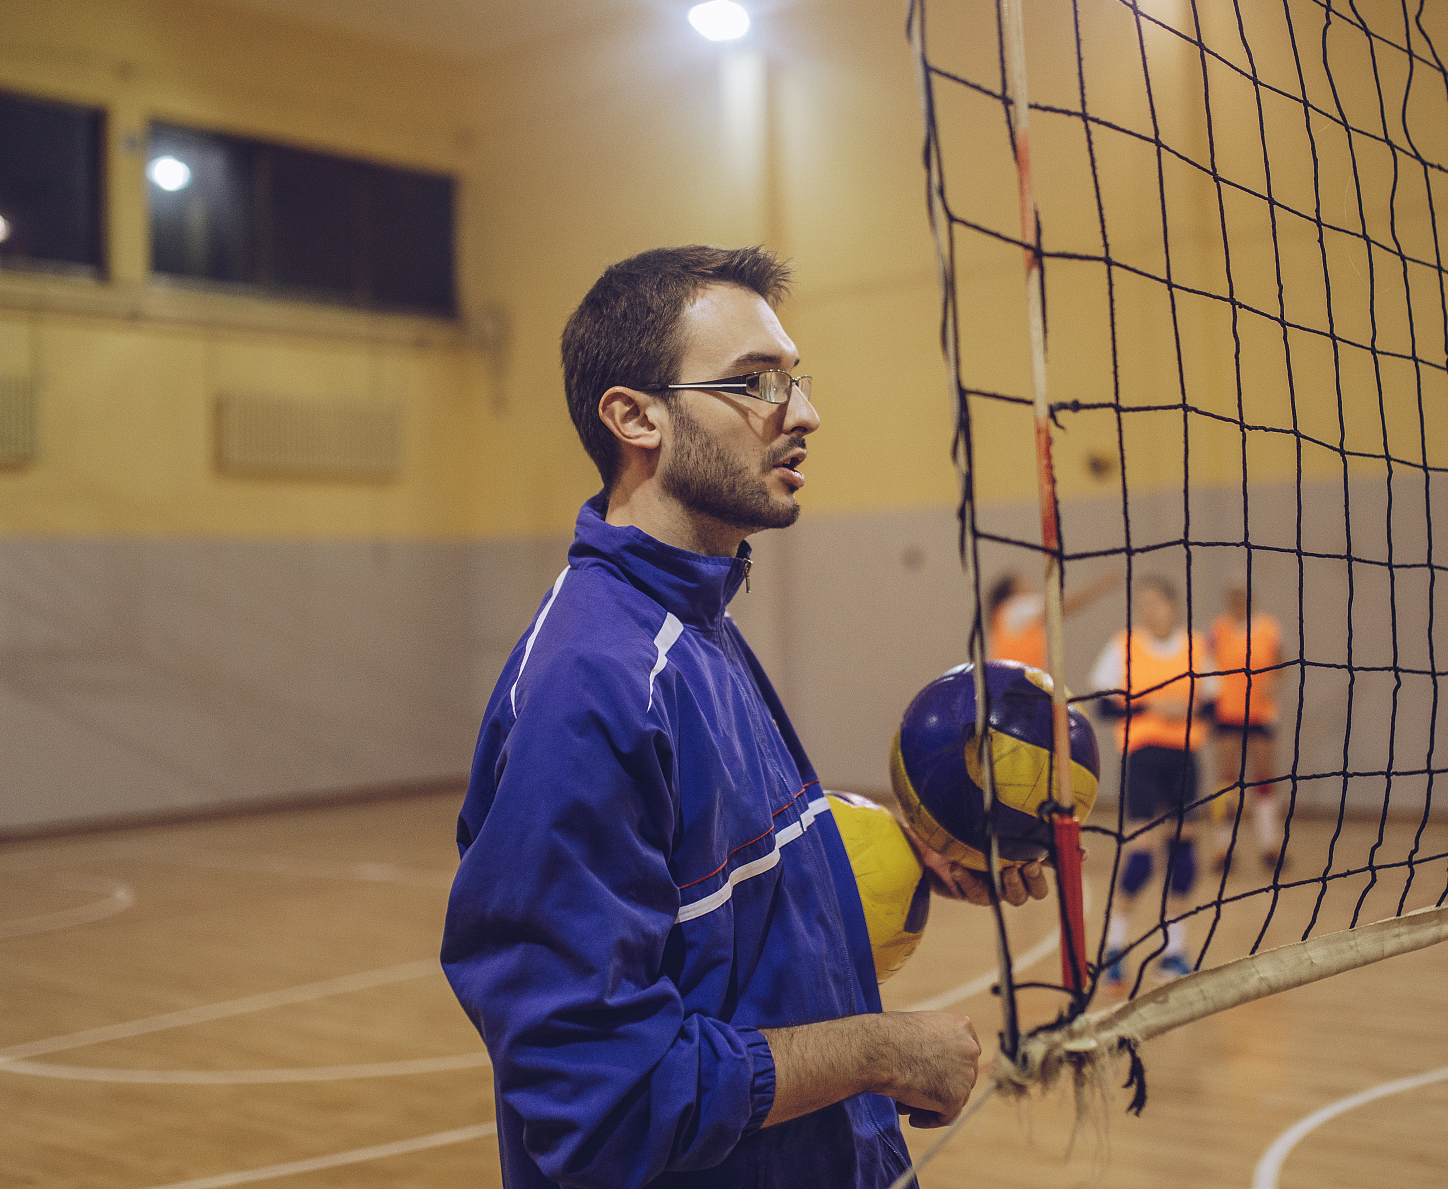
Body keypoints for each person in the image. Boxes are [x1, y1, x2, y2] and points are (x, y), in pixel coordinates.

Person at [442, 246, 1045, 1189]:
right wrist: (878, 1052)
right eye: (758, 383)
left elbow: (725, 907)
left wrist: (928, 860)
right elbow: (606, 1105)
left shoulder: (697, 623)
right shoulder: (593, 684)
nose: (802, 412)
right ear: (635, 415)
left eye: (795, 378)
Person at [1091, 574, 1218, 983]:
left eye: (1155, 602)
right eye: (1142, 603)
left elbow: (1215, 710)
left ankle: (1174, 952)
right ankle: (1114, 947)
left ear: (1173, 606)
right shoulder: (1123, 646)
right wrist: (1150, 707)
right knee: (1142, 855)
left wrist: (1188, 713)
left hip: (1185, 757)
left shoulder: (1197, 647)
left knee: (1183, 857)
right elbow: (1104, 710)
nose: (1148, 610)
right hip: (1141, 757)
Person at [1206, 572, 1287, 871]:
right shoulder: (1218, 629)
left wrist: (1274, 683)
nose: (1238, 602)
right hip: (1227, 713)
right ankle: (1222, 848)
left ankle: (1270, 845)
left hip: (1261, 713)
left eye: (1242, 596)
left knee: (1264, 777)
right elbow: (1206, 663)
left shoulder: (1268, 627)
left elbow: (1282, 663)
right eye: (1233, 597)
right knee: (1225, 780)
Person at [986, 569, 1119, 671]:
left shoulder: (1008, 614)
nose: (1030, 587)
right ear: (1013, 590)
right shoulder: (1016, 609)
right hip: (1014, 682)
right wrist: (1099, 587)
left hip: (1013, 680)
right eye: (1024, 584)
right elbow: (1063, 606)